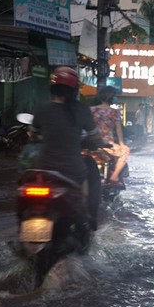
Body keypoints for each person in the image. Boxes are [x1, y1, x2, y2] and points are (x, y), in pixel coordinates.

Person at [31, 66, 103, 221]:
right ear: (74, 90)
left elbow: (33, 132)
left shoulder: (41, 108)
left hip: (44, 167)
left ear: (53, 88)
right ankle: (88, 223)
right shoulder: (81, 110)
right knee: (84, 196)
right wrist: (101, 142)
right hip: (72, 169)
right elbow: (95, 135)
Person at [90, 86, 130, 185]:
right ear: (111, 97)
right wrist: (122, 144)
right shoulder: (114, 112)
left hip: (91, 142)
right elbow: (118, 130)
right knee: (125, 152)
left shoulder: (91, 109)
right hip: (107, 145)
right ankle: (114, 176)